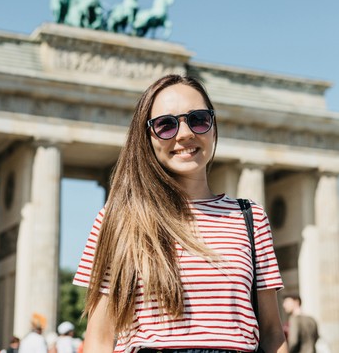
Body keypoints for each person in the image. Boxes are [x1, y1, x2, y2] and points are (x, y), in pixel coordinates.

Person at [73, 74, 288, 353]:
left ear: (213, 126)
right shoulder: (117, 219)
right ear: (146, 137)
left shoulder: (250, 217)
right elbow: (99, 338)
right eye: (165, 125)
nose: (185, 133)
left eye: (198, 119)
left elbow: (272, 332)